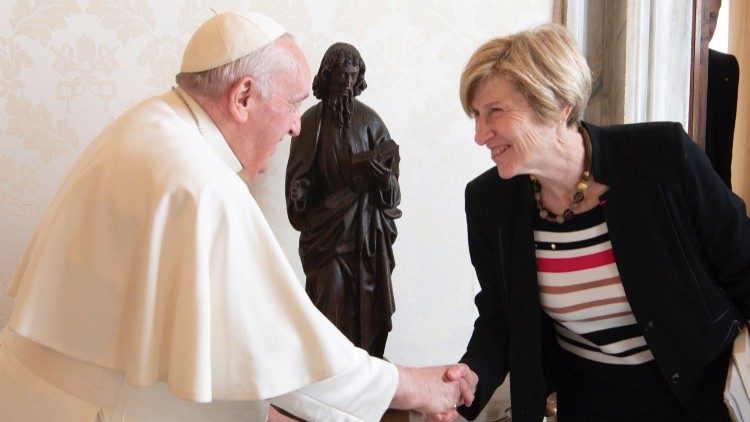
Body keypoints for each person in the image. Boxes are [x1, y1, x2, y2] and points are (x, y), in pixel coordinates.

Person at [0, 11, 476, 421]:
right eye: (292, 104)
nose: (295, 125)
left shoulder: (149, 125)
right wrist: (415, 386)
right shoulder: (202, 184)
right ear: (243, 96)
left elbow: (207, 338)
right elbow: (281, 347)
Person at [454, 23, 750, 421]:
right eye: (476, 115)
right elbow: (500, 318)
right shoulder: (490, 201)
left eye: (494, 112)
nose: (479, 134)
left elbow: (743, 267)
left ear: (559, 104)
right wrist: (467, 380)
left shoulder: (661, 158)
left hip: (699, 400)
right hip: (588, 405)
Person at [286, 42, 400, 359]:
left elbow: (392, 194)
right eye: (341, 76)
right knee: (329, 308)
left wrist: (382, 178)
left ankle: (366, 379)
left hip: (365, 239)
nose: (347, 85)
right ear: (328, 76)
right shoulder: (310, 123)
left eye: (353, 77)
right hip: (325, 239)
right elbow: (298, 180)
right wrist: (298, 193)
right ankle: (331, 380)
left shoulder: (371, 123)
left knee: (369, 314)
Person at [705, 0, 740, 189]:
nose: (706, 26)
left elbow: (723, 155)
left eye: (712, 16)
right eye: (702, 14)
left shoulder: (725, 69)